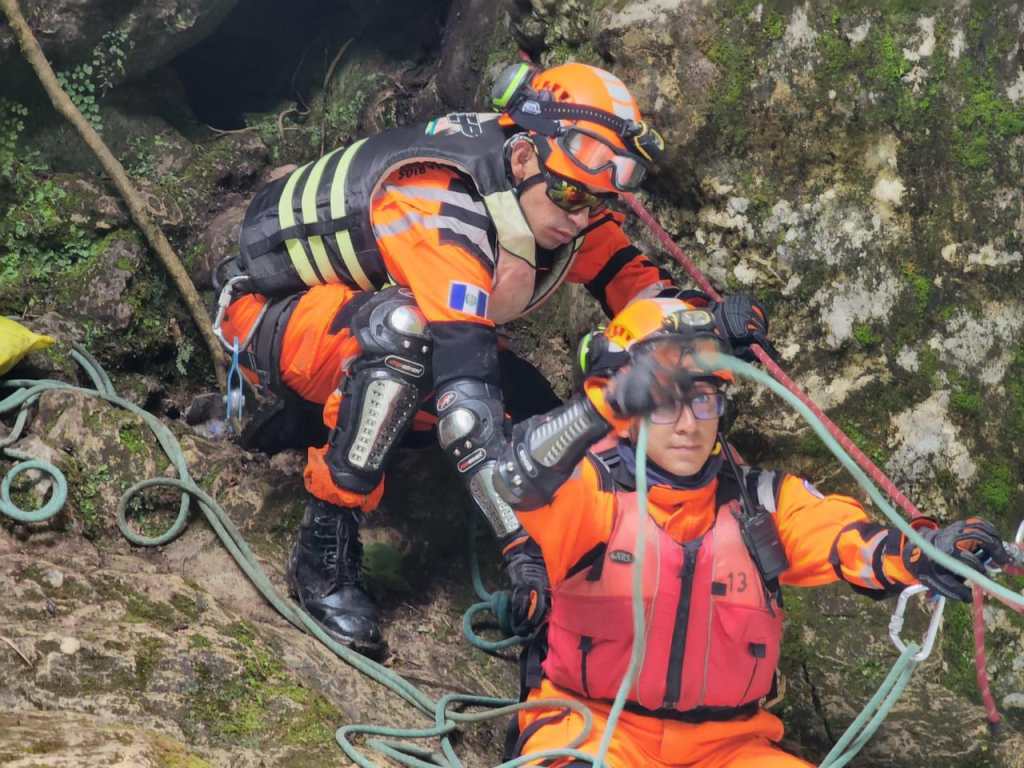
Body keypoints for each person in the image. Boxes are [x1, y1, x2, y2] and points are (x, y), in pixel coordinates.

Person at [213, 61, 772, 657]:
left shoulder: (561, 204)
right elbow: (467, 410)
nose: (579, 216)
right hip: (274, 319)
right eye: (570, 194)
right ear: (526, 158)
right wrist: (521, 546)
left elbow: (633, 287)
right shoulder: (436, 199)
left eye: (598, 201)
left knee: (543, 416)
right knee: (406, 336)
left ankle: (592, 569)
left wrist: (711, 325)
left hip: (372, 318)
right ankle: (323, 551)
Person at [487, 297, 1010, 767]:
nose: (689, 425)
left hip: (732, 747)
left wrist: (920, 554)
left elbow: (845, 537)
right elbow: (515, 475)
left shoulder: (762, 501)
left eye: (704, 401)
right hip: (591, 733)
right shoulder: (589, 491)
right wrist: (602, 406)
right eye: (665, 403)